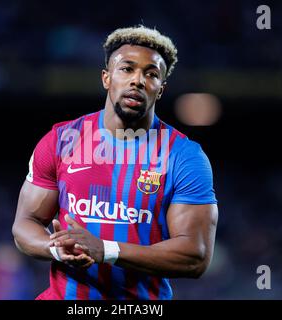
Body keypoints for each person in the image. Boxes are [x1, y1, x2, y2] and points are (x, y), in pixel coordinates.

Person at [12, 25, 218, 300]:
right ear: (106, 78)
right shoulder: (61, 140)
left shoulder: (184, 156)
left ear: (161, 89)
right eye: (127, 69)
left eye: (151, 74)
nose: (138, 80)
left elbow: (196, 256)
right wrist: (54, 248)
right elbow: (25, 223)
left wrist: (107, 250)